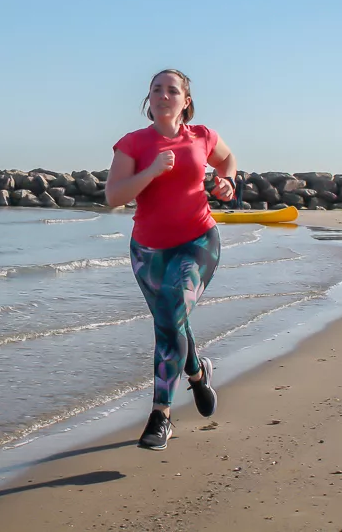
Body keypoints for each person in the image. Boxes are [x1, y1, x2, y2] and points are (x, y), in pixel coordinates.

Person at [105, 69, 237, 450]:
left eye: (172, 90)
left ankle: (160, 416)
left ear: (186, 101)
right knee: (170, 320)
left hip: (198, 240)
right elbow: (114, 197)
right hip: (148, 252)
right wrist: (150, 171)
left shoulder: (202, 136)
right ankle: (197, 373)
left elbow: (228, 161)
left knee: (170, 315)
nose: (164, 95)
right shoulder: (132, 144)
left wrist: (226, 182)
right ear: (149, 99)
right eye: (157, 89)